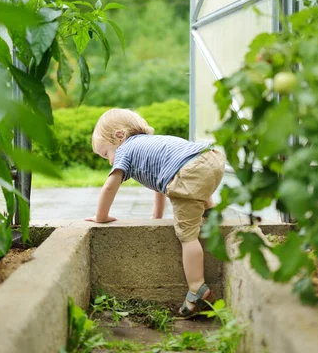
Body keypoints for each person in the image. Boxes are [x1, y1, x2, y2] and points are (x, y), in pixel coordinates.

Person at [86, 108, 225, 318]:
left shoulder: (125, 149)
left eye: (106, 153)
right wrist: (157, 219)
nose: (108, 161)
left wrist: (101, 217)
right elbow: (159, 187)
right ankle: (211, 213)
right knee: (194, 188)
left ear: (119, 136)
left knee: (187, 235)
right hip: (212, 159)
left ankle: (197, 289)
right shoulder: (151, 144)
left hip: (189, 170)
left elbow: (109, 187)